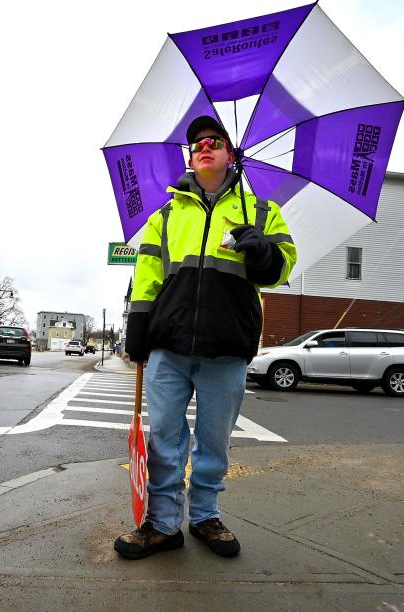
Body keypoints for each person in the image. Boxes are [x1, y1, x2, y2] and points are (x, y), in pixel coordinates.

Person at [114, 116, 297, 559]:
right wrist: (137, 333)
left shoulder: (261, 212)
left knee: (214, 444)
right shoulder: (166, 215)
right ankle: (161, 525)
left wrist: (263, 250)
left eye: (214, 141)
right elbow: (148, 278)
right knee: (164, 442)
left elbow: (283, 268)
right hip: (169, 349)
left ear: (230, 155)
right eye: (196, 144)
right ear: (191, 159)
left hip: (226, 349)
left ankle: (205, 518)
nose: (204, 147)